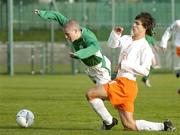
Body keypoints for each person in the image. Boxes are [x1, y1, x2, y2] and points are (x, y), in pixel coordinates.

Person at [86, 12, 176, 131]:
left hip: (126, 84)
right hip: (124, 85)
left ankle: (109, 122)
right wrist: (115, 34)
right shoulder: (126, 38)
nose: (133, 25)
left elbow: (145, 70)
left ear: (145, 27)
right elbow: (112, 45)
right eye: (134, 22)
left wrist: (124, 65)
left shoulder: (145, 48)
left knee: (91, 93)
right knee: (129, 125)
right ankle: (164, 126)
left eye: (137, 24)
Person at [34, 9, 111, 85]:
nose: (66, 37)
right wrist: (42, 13)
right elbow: (57, 16)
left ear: (75, 31)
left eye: (67, 34)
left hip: (101, 69)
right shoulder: (71, 26)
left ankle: (116, 78)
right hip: (91, 69)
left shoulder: (88, 37)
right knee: (104, 92)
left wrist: (78, 54)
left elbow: (94, 48)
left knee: (98, 95)